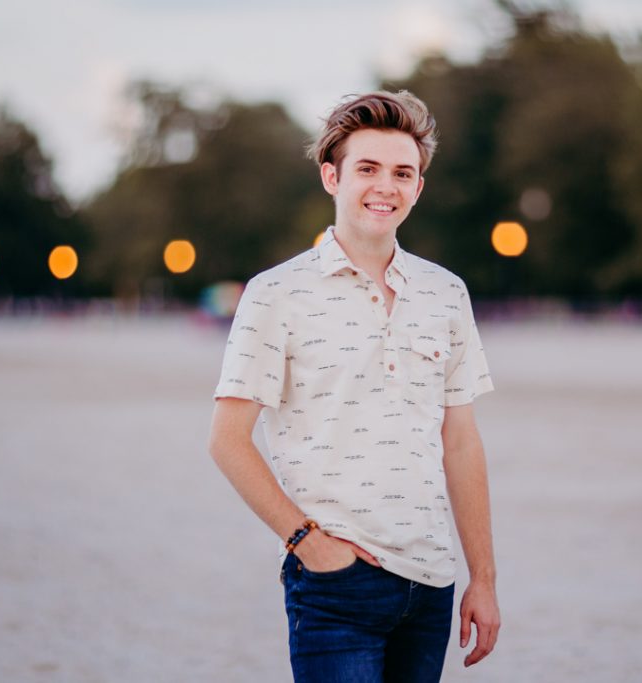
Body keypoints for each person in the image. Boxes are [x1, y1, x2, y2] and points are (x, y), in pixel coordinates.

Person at [208, 90, 499, 683]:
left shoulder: (446, 293)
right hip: (334, 585)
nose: (384, 186)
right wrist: (309, 545)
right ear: (330, 176)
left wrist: (483, 579)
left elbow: (461, 442)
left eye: (402, 173)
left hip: (431, 584)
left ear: (419, 187)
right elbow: (227, 441)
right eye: (367, 169)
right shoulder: (276, 293)